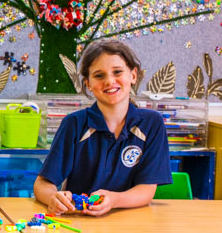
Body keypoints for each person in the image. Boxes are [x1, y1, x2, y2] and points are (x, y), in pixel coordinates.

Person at [34, 39, 172, 216]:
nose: (109, 81)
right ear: (88, 84)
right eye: (99, 75)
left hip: (131, 225)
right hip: (80, 223)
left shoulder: (152, 123)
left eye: (117, 72)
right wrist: (54, 197)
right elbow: (42, 184)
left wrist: (114, 200)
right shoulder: (74, 124)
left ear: (133, 75)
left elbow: (146, 190)